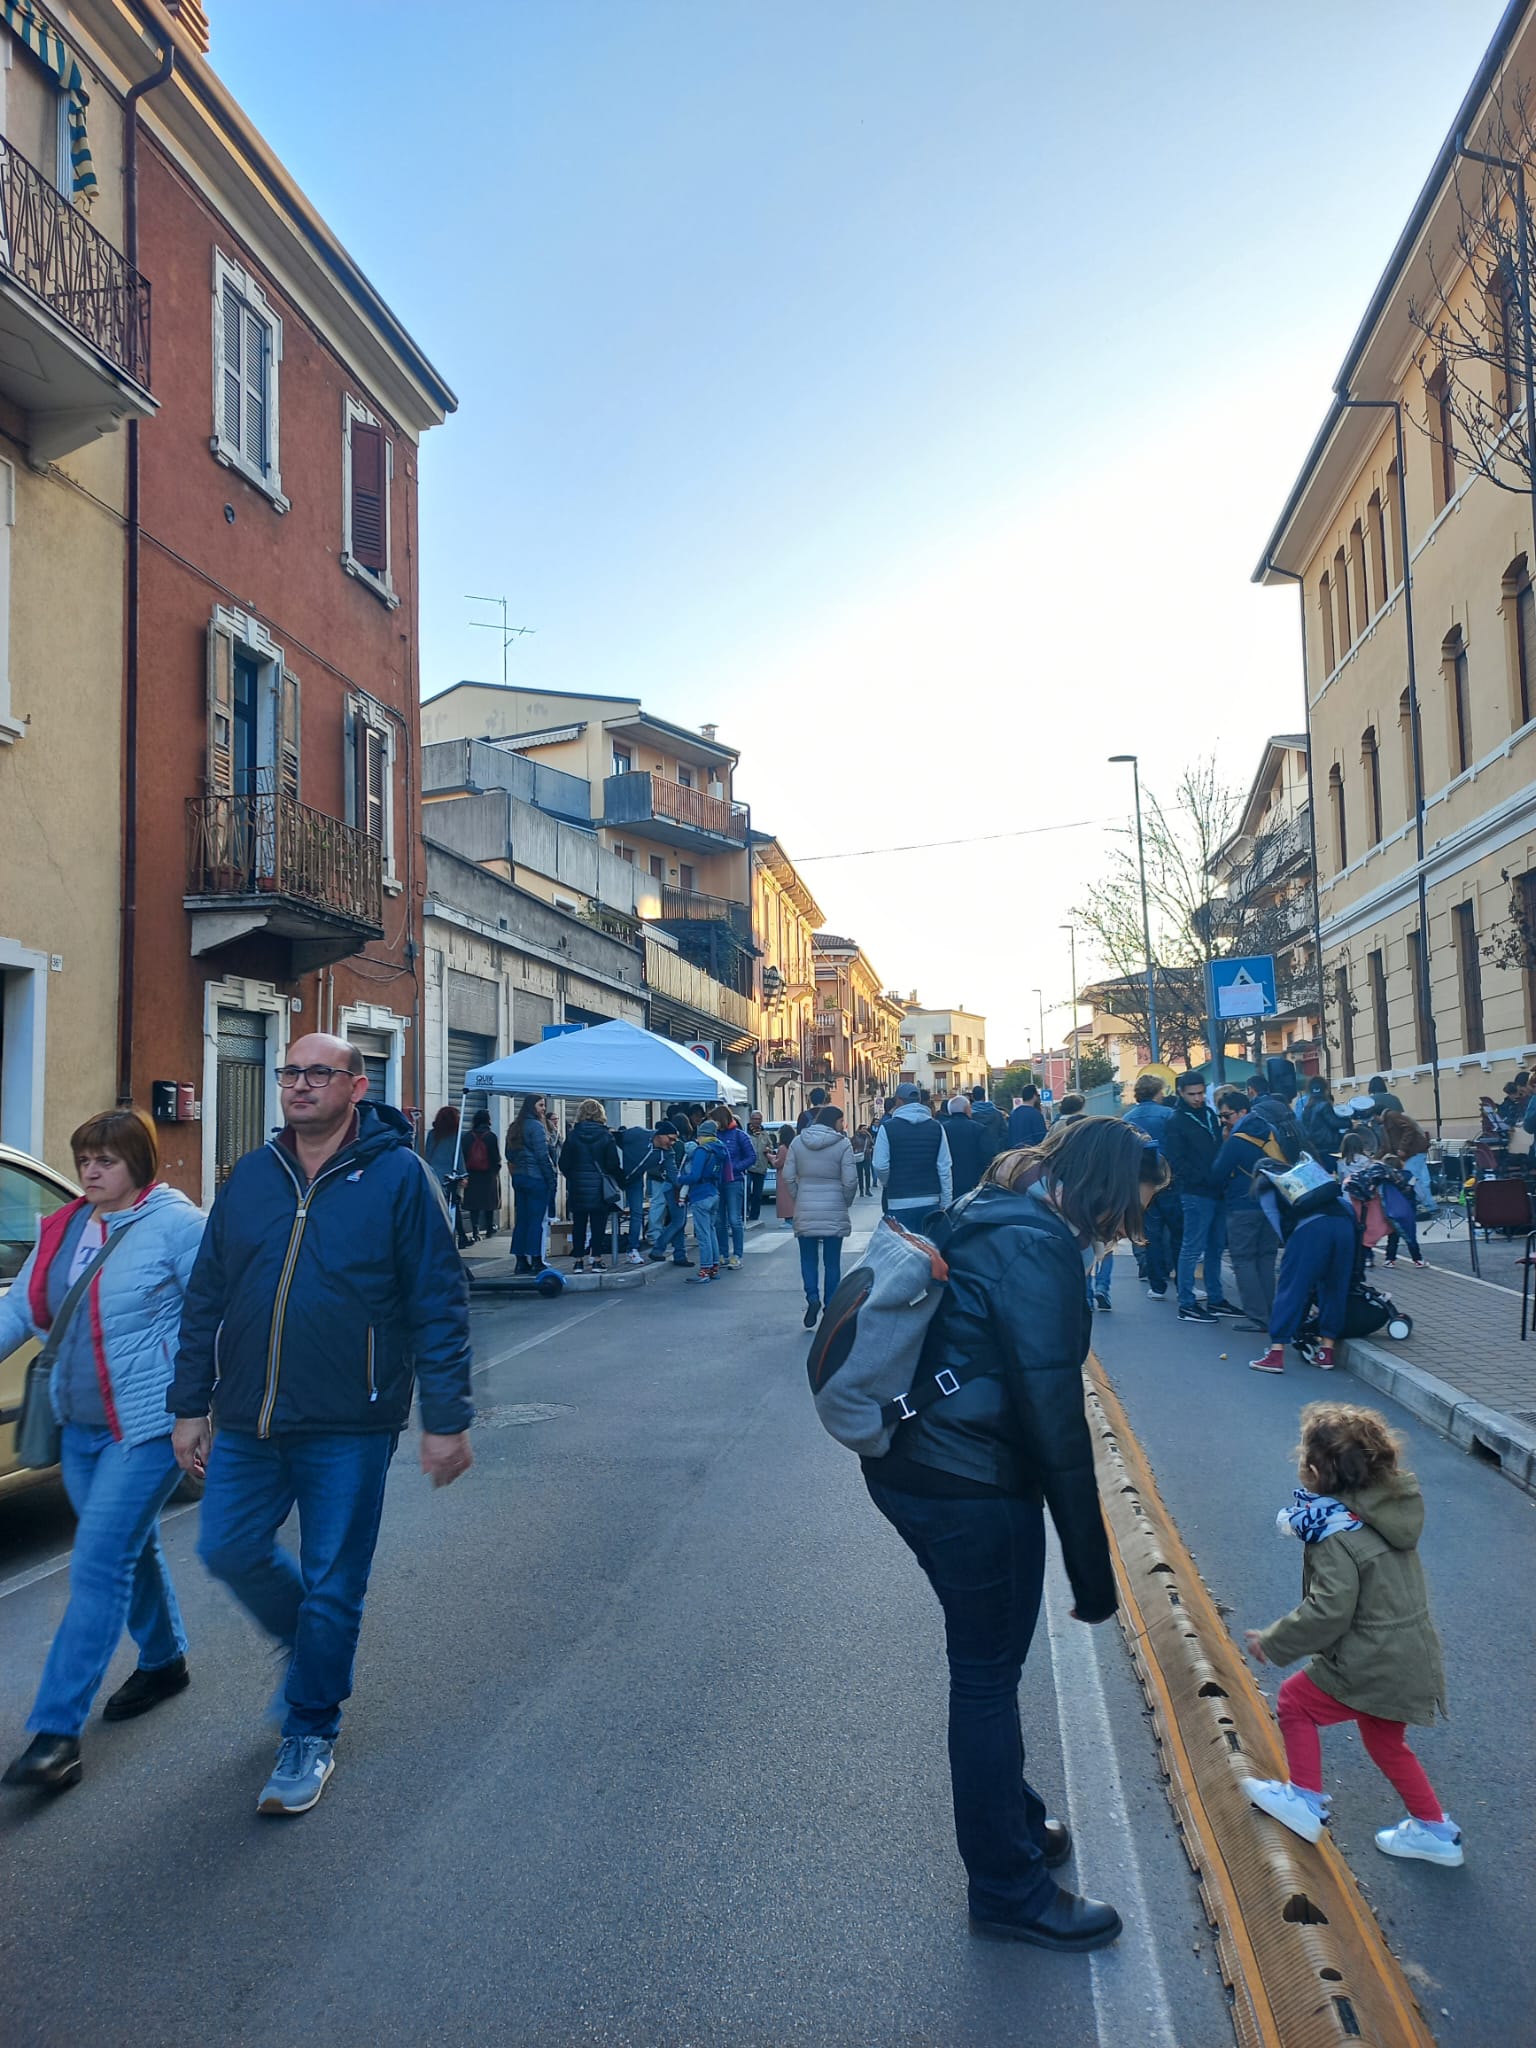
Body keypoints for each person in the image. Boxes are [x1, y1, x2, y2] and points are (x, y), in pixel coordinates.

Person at [862, 1118, 1167, 1952]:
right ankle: (1007, 1887)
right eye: (1134, 1210)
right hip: (966, 1479)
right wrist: (1092, 1574)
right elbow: (1054, 1416)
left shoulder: (997, 1205)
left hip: (915, 1458)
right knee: (987, 1678)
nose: (1131, 1228)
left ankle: (1017, 1822)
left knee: (986, 1667)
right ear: (1107, 1191)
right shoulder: (1040, 1248)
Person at [169, 1036, 472, 1817]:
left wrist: (446, 1419)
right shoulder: (252, 1177)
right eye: (290, 1073)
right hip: (247, 1414)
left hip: (351, 1420)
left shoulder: (399, 1177)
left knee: (335, 1580)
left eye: (318, 1074)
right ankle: (311, 1647)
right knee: (227, 1546)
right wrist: (189, 1404)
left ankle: (309, 1730)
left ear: (356, 1087)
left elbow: (438, 1301)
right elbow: (206, 1295)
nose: (299, 1085)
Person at [0, 1111, 204, 1794]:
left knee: (96, 1563)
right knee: (126, 1547)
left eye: (106, 1160)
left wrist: (200, 1410)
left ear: (139, 1164)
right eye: (84, 1158)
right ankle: (165, 1659)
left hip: (147, 1427)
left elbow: (217, 1315)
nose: (90, 1171)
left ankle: (56, 1733)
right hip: (79, 1427)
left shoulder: (177, 1226)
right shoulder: (62, 1227)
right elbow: (21, 1310)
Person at [1240, 1403, 1460, 1867]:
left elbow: (1330, 1609)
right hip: (1408, 1657)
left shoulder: (1335, 1531)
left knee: (1296, 1702)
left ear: (1316, 1471)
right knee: (1385, 1741)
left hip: (1372, 1660)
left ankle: (1304, 1800)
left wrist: (1274, 1641)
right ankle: (1435, 1831)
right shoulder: (1384, 1514)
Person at [1247, 1159, 1358, 1375]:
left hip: (1310, 1230)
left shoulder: (1267, 1185)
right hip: (1344, 1225)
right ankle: (1326, 1352)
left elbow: (1277, 1223)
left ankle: (1276, 1354)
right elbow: (1344, 1203)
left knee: (1291, 1288)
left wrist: (1293, 1249)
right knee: (1335, 1287)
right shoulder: (1306, 1178)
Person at [1161, 1074, 1240, 1324]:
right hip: (1195, 1191)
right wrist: (1204, 1178)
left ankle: (1216, 1299)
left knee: (1215, 1246)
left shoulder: (1208, 1113)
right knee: (1192, 1247)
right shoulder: (1176, 1120)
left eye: (1200, 1093)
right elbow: (1176, 1160)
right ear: (1181, 1093)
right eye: (1192, 1094)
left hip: (1217, 1188)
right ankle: (1186, 1303)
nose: (1198, 1098)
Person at [1210, 1084, 1284, 1332]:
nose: (1223, 1121)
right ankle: (1271, 1313)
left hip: (1242, 1205)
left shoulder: (1236, 1140)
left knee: (1243, 1260)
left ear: (1242, 1112)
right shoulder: (1271, 1132)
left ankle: (1257, 1317)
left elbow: (1217, 1174)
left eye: (1226, 1115)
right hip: (1272, 1206)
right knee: (1266, 1259)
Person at [784, 1104, 857, 1329]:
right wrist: (845, 1201)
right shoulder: (842, 1144)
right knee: (832, 1261)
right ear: (834, 1121)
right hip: (834, 1204)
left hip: (806, 1203)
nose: (843, 1125)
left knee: (808, 1258)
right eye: (841, 1121)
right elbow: (850, 1180)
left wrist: (799, 1196)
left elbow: (788, 1176)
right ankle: (831, 1306)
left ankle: (812, 1297)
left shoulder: (798, 1142)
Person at [1123, 1075, 1177, 1300]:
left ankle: (1156, 1284)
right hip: (1170, 1178)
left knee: (1150, 1232)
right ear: (1156, 1092)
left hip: (1143, 1182)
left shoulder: (1127, 1119)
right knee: (1177, 1231)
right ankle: (1181, 1280)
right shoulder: (1169, 1115)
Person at [872, 1082, 952, 1228]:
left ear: (898, 1101)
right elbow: (944, 1167)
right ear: (919, 1100)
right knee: (929, 1242)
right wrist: (946, 1202)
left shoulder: (887, 1128)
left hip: (899, 1201)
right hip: (930, 1200)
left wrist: (888, 1182)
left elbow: (880, 1165)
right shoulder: (936, 1127)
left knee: (903, 1242)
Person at [559, 1100, 623, 1272]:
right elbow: (613, 1163)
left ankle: (578, 1261)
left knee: (579, 1224)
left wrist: (574, 1176)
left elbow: (563, 1162)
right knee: (598, 1224)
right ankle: (596, 1259)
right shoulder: (606, 1136)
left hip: (578, 1186)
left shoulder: (573, 1135)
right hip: (599, 1188)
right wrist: (619, 1180)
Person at [505, 1094, 558, 1274]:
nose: (544, 1108)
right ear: (532, 1106)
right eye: (541, 1105)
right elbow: (542, 1156)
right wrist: (551, 1179)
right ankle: (536, 1259)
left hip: (519, 1177)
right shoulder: (536, 1126)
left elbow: (509, 1154)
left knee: (522, 1220)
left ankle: (520, 1261)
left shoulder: (515, 1126)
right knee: (536, 1220)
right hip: (535, 1178)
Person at [678, 1117, 728, 1282]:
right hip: (714, 1193)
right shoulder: (720, 1149)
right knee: (711, 1231)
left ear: (702, 1135)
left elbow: (695, 1175)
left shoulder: (702, 1150)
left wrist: (679, 1179)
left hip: (701, 1195)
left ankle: (704, 1270)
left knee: (703, 1234)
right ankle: (714, 1267)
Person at [643, 1122, 692, 1267]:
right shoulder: (681, 1147)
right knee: (678, 1222)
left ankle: (679, 1254)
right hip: (676, 1187)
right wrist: (684, 1187)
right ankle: (659, 1249)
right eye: (671, 1139)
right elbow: (675, 1172)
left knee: (679, 1222)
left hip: (670, 1185)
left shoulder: (667, 1146)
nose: (672, 1142)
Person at [424, 1105, 470, 1249]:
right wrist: (463, 1175)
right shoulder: (456, 1136)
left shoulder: (432, 1134)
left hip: (432, 1175)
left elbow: (427, 1154)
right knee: (452, 1208)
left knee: (436, 1209)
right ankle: (456, 1237)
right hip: (449, 1177)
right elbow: (458, 1157)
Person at [720, 1108, 757, 1269]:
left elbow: (752, 1157)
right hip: (717, 1181)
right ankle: (722, 1254)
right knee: (719, 1220)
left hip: (734, 1180)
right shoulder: (715, 1134)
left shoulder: (739, 1135)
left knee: (734, 1219)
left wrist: (735, 1168)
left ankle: (737, 1255)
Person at [616, 1118, 655, 1265]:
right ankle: (632, 1249)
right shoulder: (640, 1135)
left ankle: (632, 1248)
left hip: (626, 1177)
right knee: (635, 1213)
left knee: (635, 1213)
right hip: (626, 1176)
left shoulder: (636, 1137)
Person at [939, 1094, 993, 1202]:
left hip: (950, 1180)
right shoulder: (979, 1129)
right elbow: (987, 1155)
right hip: (973, 1180)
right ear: (967, 1109)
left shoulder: (942, 1129)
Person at [1380, 1105, 1432, 1214]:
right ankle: (1429, 1205)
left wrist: (1402, 1148)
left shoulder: (1391, 1116)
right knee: (1421, 1180)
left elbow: (1409, 1128)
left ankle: (1425, 1206)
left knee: (1413, 1179)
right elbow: (1386, 1145)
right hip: (1415, 1151)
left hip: (1413, 1151)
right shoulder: (1387, 1120)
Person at [461, 1109, 502, 1241]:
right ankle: (489, 1228)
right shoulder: (491, 1136)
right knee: (489, 1203)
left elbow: (463, 1156)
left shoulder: (467, 1137)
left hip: (472, 1175)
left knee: (474, 1205)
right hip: (488, 1175)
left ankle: (475, 1230)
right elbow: (496, 1157)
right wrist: (496, 1171)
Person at [1300, 1077, 1347, 1172]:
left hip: (1314, 1146)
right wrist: (1347, 1122)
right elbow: (1333, 1122)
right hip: (1329, 1146)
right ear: (1324, 1090)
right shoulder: (1325, 1105)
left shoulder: (1307, 1108)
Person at [968, 1084, 1008, 1162]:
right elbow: (1005, 1133)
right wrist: (998, 1147)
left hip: (975, 1154)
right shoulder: (997, 1114)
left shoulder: (970, 1116)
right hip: (994, 1153)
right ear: (984, 1097)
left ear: (972, 1097)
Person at [745, 1111, 772, 1219]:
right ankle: (745, 1213)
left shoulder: (765, 1134)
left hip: (761, 1167)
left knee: (757, 1195)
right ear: (750, 1120)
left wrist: (768, 1149)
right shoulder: (745, 1133)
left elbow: (770, 1146)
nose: (757, 1121)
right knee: (746, 1191)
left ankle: (754, 1216)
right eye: (755, 1119)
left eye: (759, 1119)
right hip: (748, 1167)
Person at [772, 1124, 796, 1226]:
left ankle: (789, 1219)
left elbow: (778, 1163)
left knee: (785, 1198)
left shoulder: (782, 1147)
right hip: (793, 1174)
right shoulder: (793, 1145)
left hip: (783, 1175)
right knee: (791, 1197)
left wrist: (770, 1157)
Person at [850, 1123, 875, 1198]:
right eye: (863, 1128)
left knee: (867, 1173)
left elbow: (871, 1144)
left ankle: (867, 1190)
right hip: (858, 1156)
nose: (865, 1130)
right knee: (860, 1174)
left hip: (867, 1156)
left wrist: (870, 1149)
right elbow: (852, 1145)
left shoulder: (868, 1136)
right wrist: (855, 1151)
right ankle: (861, 1190)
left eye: (866, 1128)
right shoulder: (855, 1137)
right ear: (860, 1129)